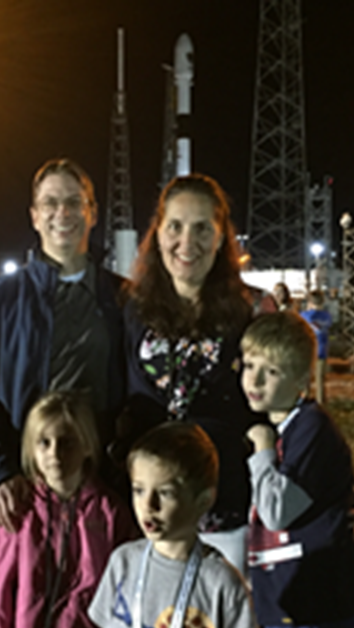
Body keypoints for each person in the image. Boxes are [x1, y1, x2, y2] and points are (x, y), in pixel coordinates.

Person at [0, 158, 125, 538]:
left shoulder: (122, 298)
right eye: (50, 203)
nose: (62, 212)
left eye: (74, 202)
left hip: (100, 491)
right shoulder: (1, 298)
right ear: (34, 216)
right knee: (21, 597)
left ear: (92, 213)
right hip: (21, 489)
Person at [120, 173, 259, 574]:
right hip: (148, 510)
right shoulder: (130, 310)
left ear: (220, 238)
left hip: (221, 508)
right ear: (158, 232)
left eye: (202, 228)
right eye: (175, 227)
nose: (187, 242)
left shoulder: (245, 312)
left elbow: (273, 403)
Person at [241, 312, 354, 628]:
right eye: (249, 364)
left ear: (302, 378)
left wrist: (262, 450)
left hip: (316, 603)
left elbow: (277, 511)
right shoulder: (284, 425)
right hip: (288, 600)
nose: (253, 380)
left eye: (271, 371)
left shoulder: (310, 427)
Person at [89, 421, 269, 628]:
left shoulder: (221, 583)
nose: (148, 505)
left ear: (204, 500)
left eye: (165, 493)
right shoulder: (123, 562)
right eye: (139, 490)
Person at [0, 391, 135, 628]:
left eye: (67, 443)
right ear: (31, 448)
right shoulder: (18, 513)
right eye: (44, 443)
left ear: (87, 446)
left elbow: (126, 598)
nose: (55, 454)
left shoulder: (111, 514)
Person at [300, 290, 333, 404]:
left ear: (310, 302)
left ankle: (304, 400)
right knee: (320, 379)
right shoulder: (327, 316)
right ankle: (320, 402)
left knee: (305, 379)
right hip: (322, 349)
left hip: (307, 350)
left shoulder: (305, 315)